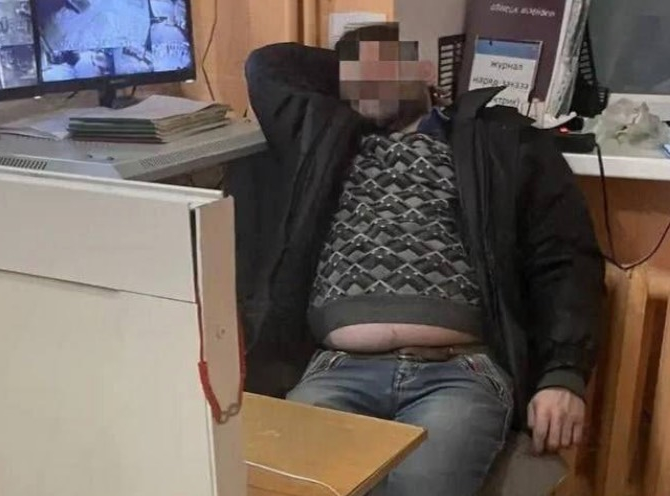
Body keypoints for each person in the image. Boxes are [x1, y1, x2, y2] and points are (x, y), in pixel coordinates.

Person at [232, 22, 604, 495]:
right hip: (337, 370)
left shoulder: (497, 138)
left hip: (458, 375)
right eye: (355, 76)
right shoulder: (329, 139)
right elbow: (267, 66)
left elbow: (564, 258)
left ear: (425, 69)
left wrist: (564, 374)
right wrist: (356, 67)